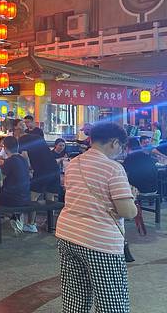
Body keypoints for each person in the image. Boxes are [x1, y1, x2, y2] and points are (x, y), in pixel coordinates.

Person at [56, 122, 136, 312]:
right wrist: (132, 197)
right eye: (121, 146)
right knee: (111, 302)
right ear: (115, 143)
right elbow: (127, 212)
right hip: (100, 241)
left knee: (75, 299)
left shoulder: (73, 163)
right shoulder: (113, 168)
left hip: (67, 234)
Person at [19, 129, 61, 233]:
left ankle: (31, 224)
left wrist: (27, 168)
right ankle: (49, 224)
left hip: (42, 171)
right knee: (50, 198)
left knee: (32, 198)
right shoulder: (38, 139)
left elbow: (24, 156)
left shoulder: (22, 140)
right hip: (55, 170)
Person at [0, 136, 31, 234]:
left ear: (5, 148)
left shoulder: (10, 161)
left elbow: (0, 180)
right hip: (26, 197)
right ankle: (14, 217)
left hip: (13, 199)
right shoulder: (23, 159)